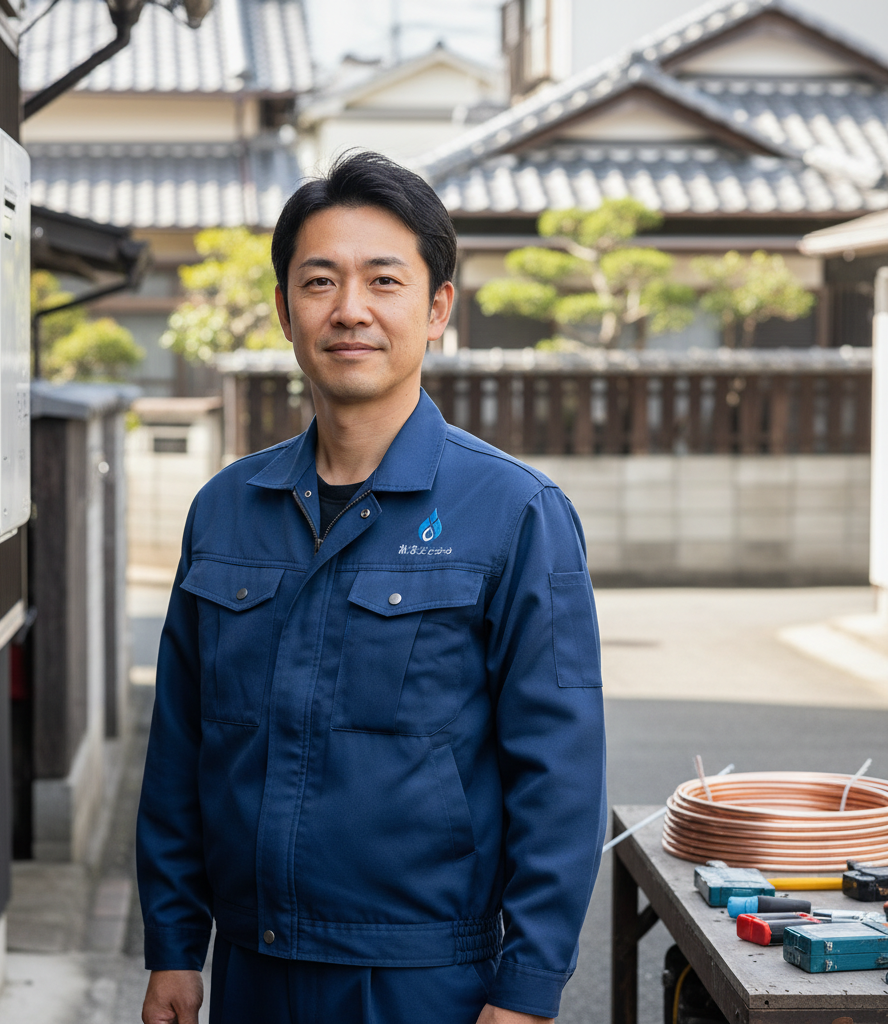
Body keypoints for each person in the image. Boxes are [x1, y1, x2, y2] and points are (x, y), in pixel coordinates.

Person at [138, 151, 607, 1024]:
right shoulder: (225, 511)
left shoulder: (515, 513)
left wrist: (528, 988)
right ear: (284, 310)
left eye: (383, 281)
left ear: (436, 311)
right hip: (251, 968)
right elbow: (180, 748)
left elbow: (561, 774)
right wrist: (173, 944)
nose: (349, 309)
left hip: (425, 978)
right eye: (320, 281)